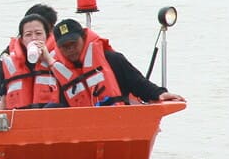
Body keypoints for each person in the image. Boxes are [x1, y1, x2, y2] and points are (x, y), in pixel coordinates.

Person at [45, 18, 185, 107]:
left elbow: (138, 83)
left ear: (84, 38)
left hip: (116, 121)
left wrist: (159, 94)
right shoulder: (58, 73)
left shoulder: (112, 59)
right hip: (81, 129)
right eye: (65, 47)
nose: (70, 50)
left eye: (74, 44)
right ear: (58, 47)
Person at [0, 14, 62, 110]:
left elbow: (69, 83)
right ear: (22, 40)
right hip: (20, 118)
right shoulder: (10, 61)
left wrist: (48, 59)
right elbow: (3, 100)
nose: (34, 38)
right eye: (28, 35)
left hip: (51, 116)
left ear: (47, 35)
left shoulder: (60, 56)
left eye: (38, 33)